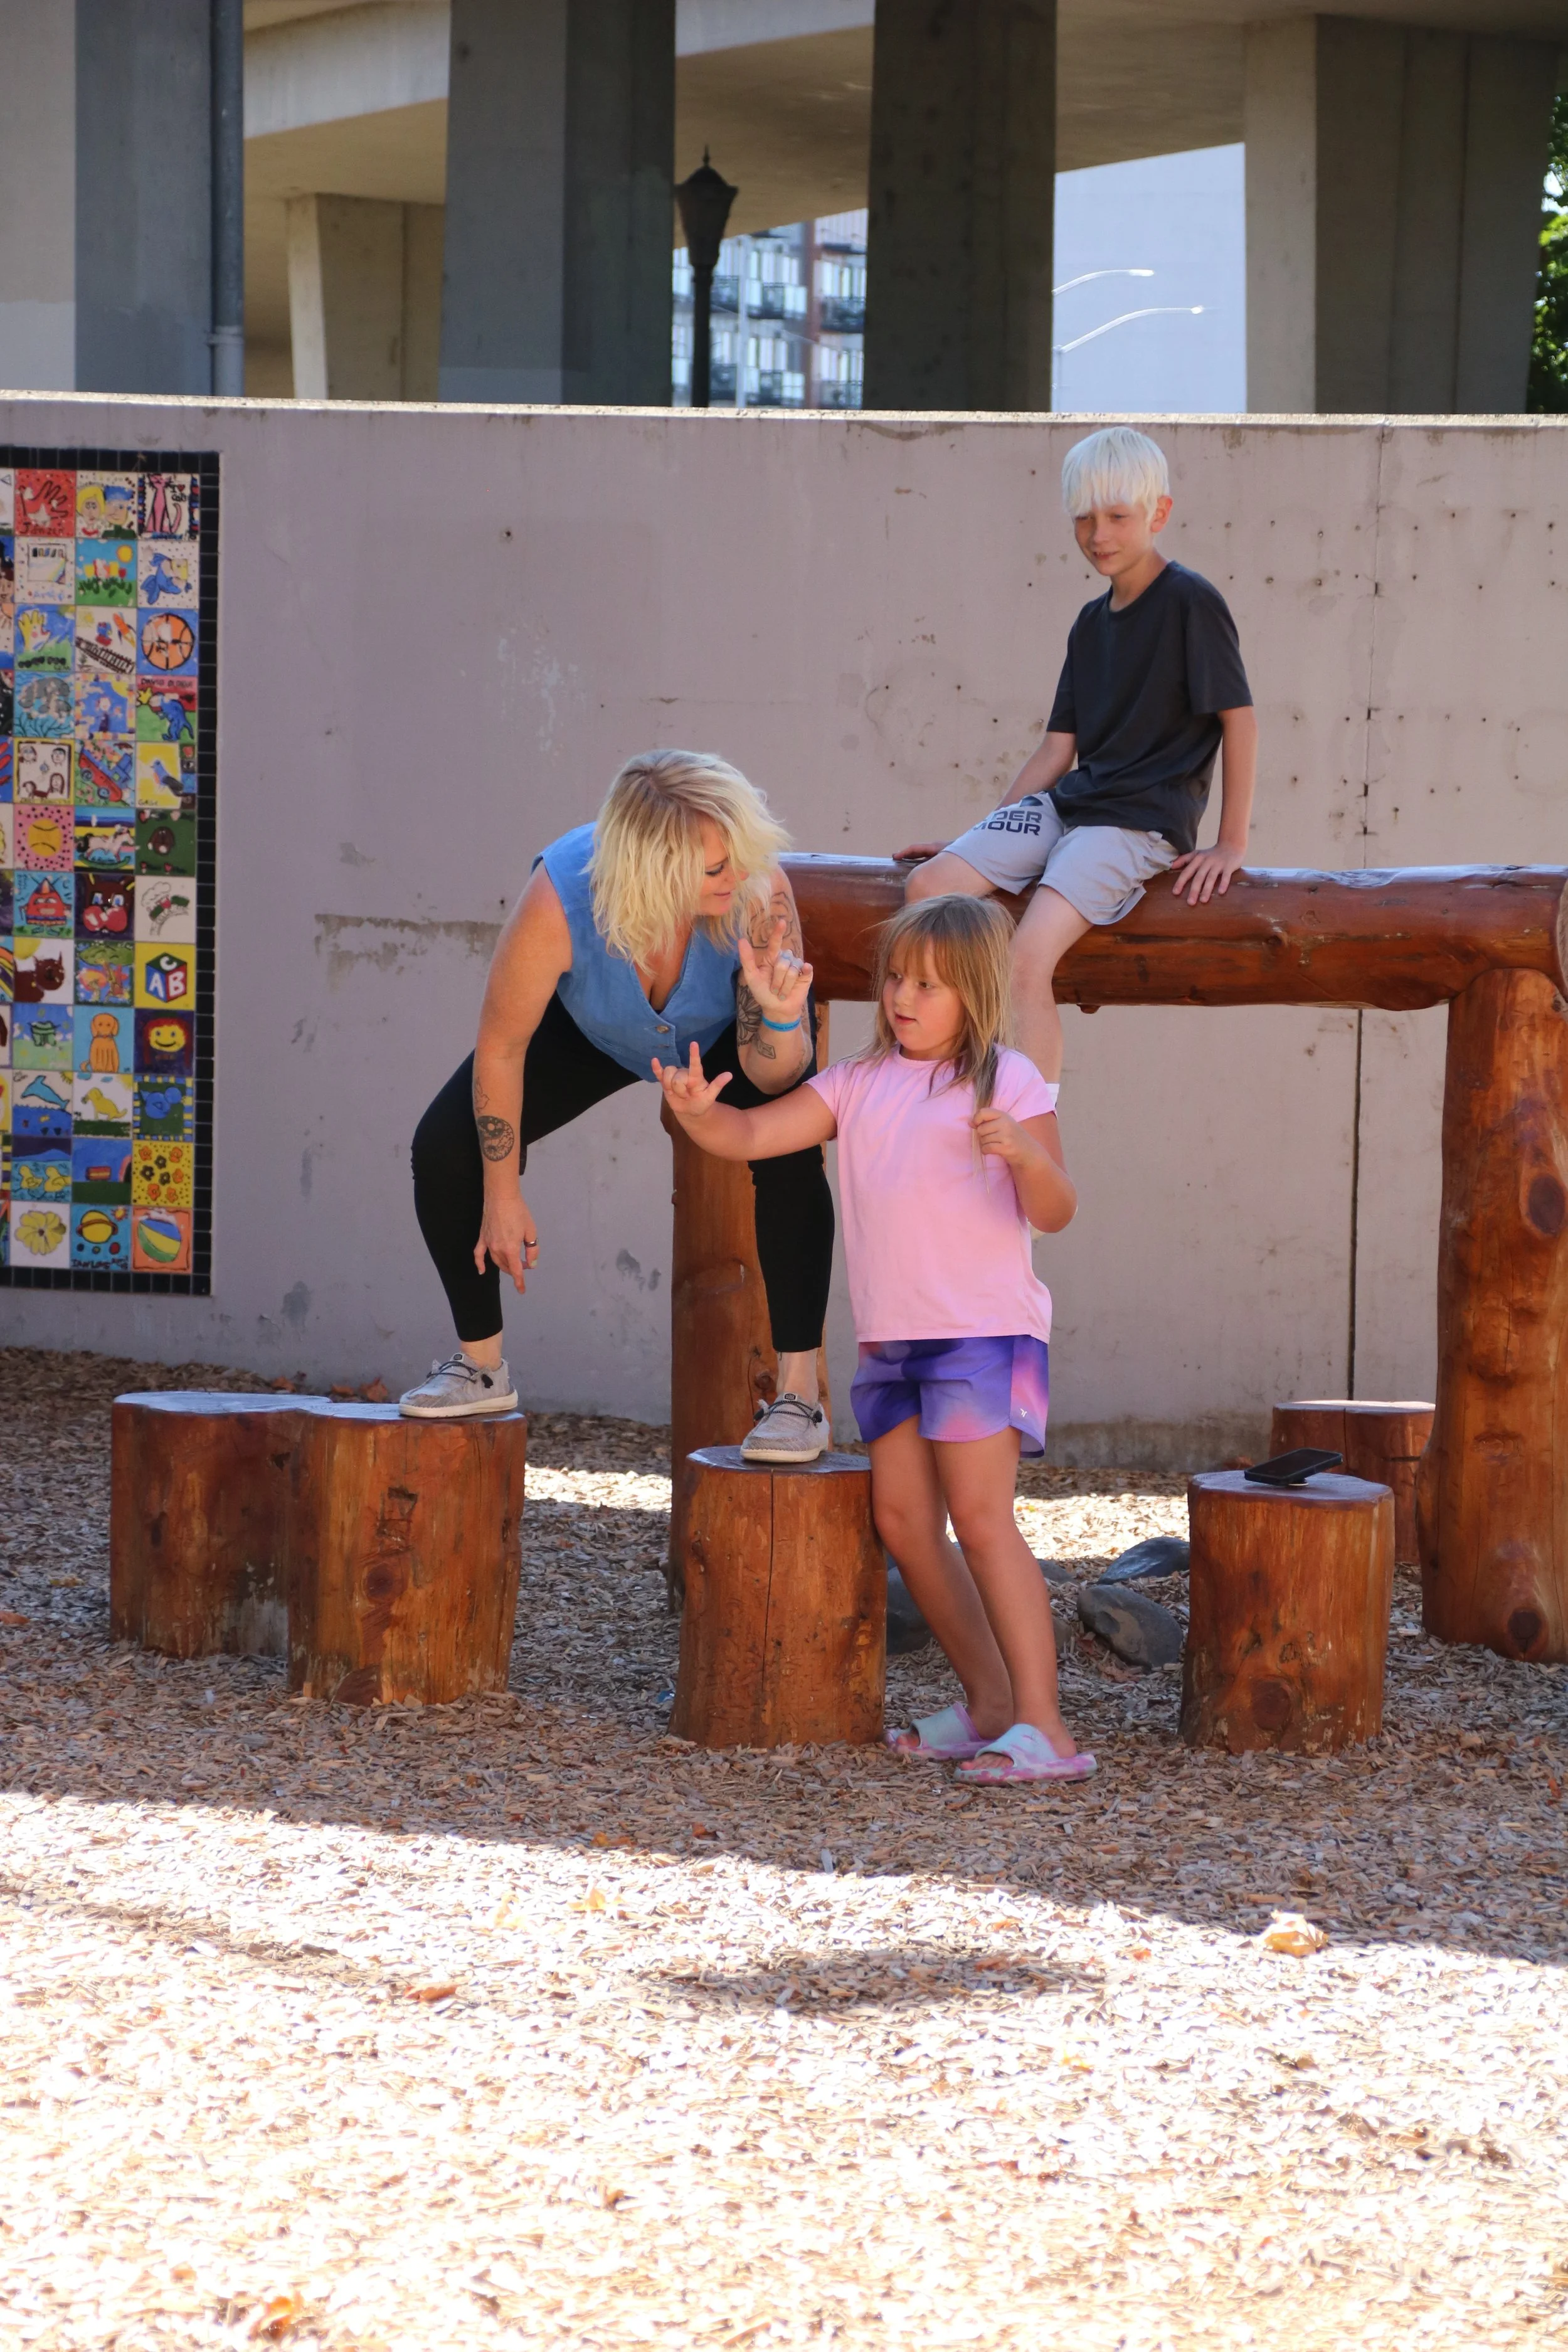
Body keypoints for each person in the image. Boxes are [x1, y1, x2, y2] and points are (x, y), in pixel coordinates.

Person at [657, 893, 1094, 1786]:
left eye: (928, 985)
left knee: (980, 1517)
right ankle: (991, 1705)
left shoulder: (1006, 1081)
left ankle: (1046, 1726)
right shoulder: (855, 1083)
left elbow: (1058, 1207)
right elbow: (754, 1134)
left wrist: (1023, 1152)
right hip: (892, 1346)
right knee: (903, 1520)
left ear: (972, 995)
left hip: (982, 1332)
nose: (903, 995)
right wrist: (699, 1113)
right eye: (896, 976)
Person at [401, 751, 835, 1461]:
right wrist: (501, 1194)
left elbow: (778, 1074)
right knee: (445, 1147)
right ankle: (480, 1365)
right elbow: (502, 1047)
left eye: (736, 856)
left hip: (727, 1034)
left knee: (786, 1144)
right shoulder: (561, 897)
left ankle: (798, 1399)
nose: (735, 875)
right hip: (595, 1032)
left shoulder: (758, 893)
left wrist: (781, 1016)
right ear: (652, 871)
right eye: (713, 868)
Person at [899, 425, 1257, 1083]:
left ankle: (1030, 1125)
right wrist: (979, 838)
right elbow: (1056, 749)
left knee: (1026, 955)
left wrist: (1230, 844)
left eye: (1118, 517)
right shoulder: (1090, 624)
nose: (1100, 535)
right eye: (1084, 518)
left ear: (1159, 513)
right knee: (929, 889)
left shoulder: (1190, 603)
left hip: (1135, 823)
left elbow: (1239, 721)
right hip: (1072, 806)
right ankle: (945, 1077)